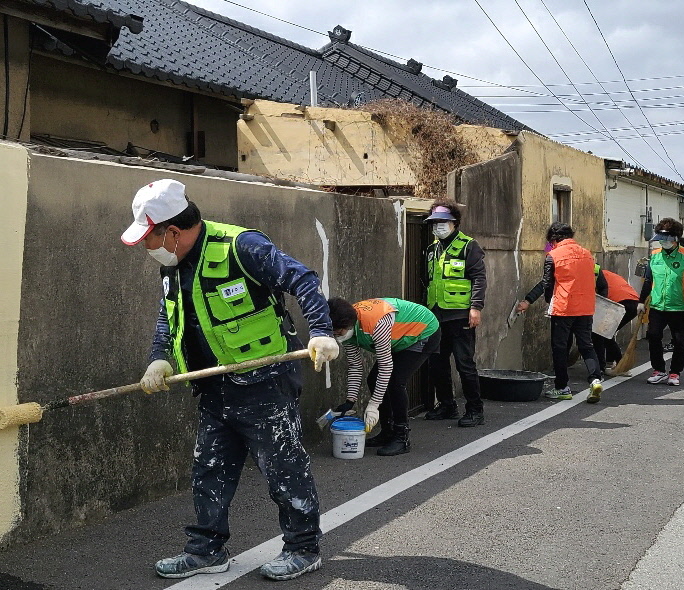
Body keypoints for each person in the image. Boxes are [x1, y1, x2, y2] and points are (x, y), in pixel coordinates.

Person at [122, 179, 339, 581]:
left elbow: (303, 280)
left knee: (283, 468)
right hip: (214, 387)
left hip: (265, 381)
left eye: (150, 238)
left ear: (172, 231)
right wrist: (159, 359)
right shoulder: (173, 266)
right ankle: (206, 549)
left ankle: (303, 548)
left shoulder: (241, 247)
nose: (148, 249)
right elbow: (168, 317)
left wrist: (322, 330)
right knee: (209, 468)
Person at [327, 297, 440, 456]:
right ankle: (388, 432)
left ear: (348, 325)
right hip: (399, 337)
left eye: (338, 332)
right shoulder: (346, 329)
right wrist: (349, 401)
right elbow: (355, 366)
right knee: (373, 379)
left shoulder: (376, 324)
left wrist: (373, 405)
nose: (336, 336)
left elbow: (386, 366)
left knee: (395, 382)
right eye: (333, 333)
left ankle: (402, 437)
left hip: (423, 330)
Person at [516, 222, 604, 402]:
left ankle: (562, 387)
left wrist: (548, 301)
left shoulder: (553, 256)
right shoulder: (587, 254)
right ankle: (595, 379)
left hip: (564, 309)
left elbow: (547, 284)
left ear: (554, 239)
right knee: (586, 345)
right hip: (586, 308)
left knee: (560, 347)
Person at [421, 200, 488, 427]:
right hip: (435, 315)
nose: (438, 226)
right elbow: (428, 281)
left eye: (443, 222)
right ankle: (448, 405)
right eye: (435, 222)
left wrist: (475, 308)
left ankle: (475, 410)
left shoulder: (469, 245)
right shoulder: (432, 249)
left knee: (464, 363)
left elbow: (479, 278)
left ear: (454, 223)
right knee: (437, 362)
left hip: (460, 315)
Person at [640, 218, 684, 386]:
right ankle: (658, 369)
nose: (663, 243)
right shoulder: (654, 255)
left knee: (679, 341)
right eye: (660, 239)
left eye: (666, 240)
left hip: (679, 306)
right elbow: (648, 280)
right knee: (653, 336)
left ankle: (674, 373)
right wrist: (641, 301)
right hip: (657, 305)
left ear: (675, 239)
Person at [594, 268, 640, 374]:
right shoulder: (606, 273)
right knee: (609, 333)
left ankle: (618, 364)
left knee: (601, 334)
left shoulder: (594, 274)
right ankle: (610, 362)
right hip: (633, 303)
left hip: (618, 304)